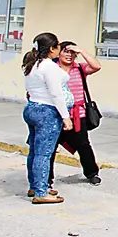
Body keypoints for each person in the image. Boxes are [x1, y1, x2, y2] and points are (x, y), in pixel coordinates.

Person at [22, 32, 73, 204]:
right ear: (52, 49)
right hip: (47, 112)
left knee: (35, 151)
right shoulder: (48, 67)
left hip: (32, 108)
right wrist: (65, 117)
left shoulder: (32, 64)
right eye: (58, 46)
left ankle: (35, 185)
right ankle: (41, 191)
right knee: (44, 154)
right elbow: (56, 94)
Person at [48, 41, 103, 188]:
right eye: (66, 51)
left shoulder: (79, 69)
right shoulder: (52, 69)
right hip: (56, 114)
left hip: (78, 114)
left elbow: (97, 66)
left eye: (72, 53)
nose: (69, 55)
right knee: (51, 146)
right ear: (58, 53)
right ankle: (47, 178)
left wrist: (82, 51)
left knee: (84, 145)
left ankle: (92, 173)